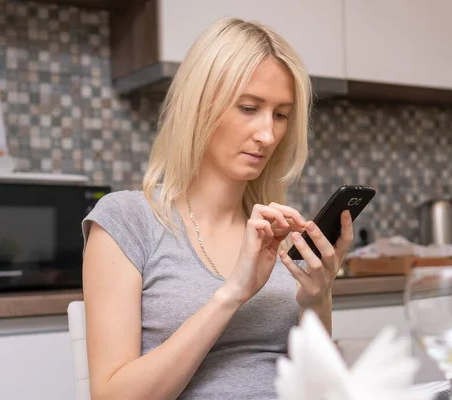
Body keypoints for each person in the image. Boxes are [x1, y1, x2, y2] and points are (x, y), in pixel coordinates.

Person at [81, 17, 354, 400]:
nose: (268, 134)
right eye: (248, 108)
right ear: (199, 107)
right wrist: (232, 294)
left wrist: (316, 297)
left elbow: (320, 385)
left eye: (280, 115)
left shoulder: (277, 231)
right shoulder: (127, 220)